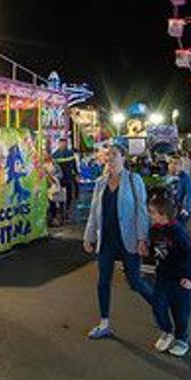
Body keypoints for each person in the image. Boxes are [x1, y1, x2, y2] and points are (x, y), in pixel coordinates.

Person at [83, 144, 151, 340]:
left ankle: (160, 308)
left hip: (128, 239)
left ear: (123, 158)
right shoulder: (100, 183)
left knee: (136, 281)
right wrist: (89, 237)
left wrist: (141, 238)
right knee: (103, 282)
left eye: (114, 155)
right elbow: (94, 213)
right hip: (106, 241)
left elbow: (142, 210)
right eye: (108, 155)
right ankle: (104, 323)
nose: (110, 158)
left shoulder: (133, 180)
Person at [146, 189, 191, 357]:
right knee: (158, 306)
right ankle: (167, 331)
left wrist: (189, 277)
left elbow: (190, 257)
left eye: (152, 213)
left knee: (180, 312)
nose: (150, 215)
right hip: (162, 276)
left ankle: (182, 339)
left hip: (180, 280)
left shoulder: (178, 233)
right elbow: (155, 251)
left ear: (163, 215)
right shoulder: (154, 230)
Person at [52, 138, 79, 222]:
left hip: (69, 177)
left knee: (69, 195)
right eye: (61, 144)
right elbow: (54, 168)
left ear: (67, 144)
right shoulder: (55, 155)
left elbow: (74, 165)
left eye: (64, 144)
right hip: (59, 179)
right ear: (59, 144)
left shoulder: (70, 153)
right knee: (59, 197)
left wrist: (77, 174)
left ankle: (67, 211)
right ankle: (60, 212)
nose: (63, 145)